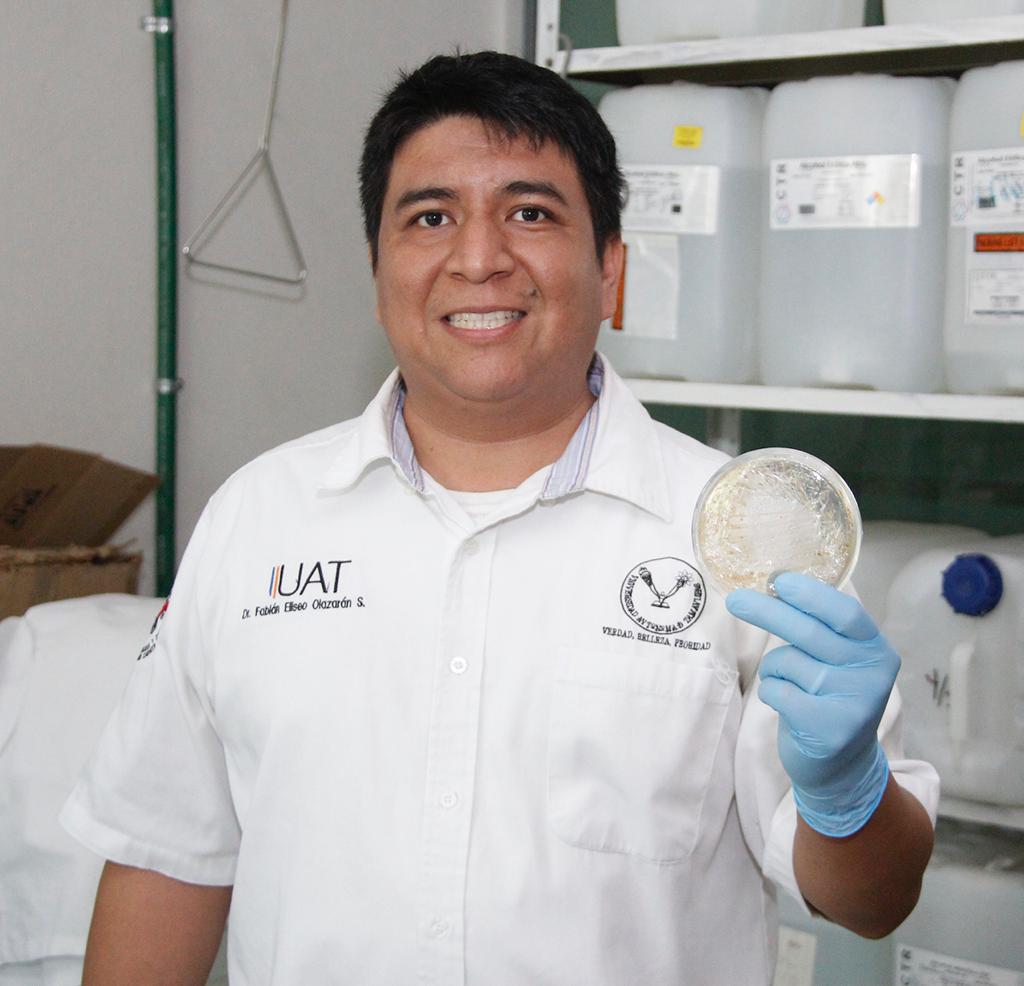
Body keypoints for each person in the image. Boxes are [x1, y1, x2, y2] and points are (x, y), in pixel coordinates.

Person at [62, 50, 938, 985]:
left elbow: (872, 902)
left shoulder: (746, 538)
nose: (479, 259)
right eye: (431, 217)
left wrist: (847, 790)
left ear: (612, 270)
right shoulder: (259, 518)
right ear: (378, 270)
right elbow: (166, 857)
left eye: (530, 213)